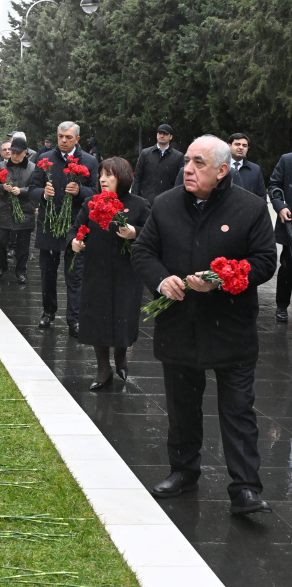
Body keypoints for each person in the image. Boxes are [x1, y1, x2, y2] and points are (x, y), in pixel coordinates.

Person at [132, 135, 276, 514]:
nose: (188, 169)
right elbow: (143, 252)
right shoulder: (164, 205)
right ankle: (183, 471)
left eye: (199, 163)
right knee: (182, 406)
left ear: (222, 171)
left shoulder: (249, 207)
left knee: (238, 409)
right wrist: (162, 280)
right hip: (180, 323)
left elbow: (264, 261)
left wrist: (222, 279)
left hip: (231, 326)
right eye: (188, 162)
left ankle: (245, 488)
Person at [68, 157, 150, 390]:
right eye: (101, 175)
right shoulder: (91, 203)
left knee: (123, 316)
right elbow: (76, 229)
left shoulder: (139, 204)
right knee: (98, 318)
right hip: (97, 270)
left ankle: (121, 356)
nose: (103, 179)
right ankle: (103, 367)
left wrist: (134, 232)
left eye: (109, 175)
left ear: (122, 178)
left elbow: (153, 234)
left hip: (127, 273)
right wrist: (74, 241)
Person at [28, 121, 99, 337]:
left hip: (76, 226)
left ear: (77, 138)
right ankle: (48, 311)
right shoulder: (45, 158)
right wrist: (43, 193)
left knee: (75, 274)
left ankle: (74, 319)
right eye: (60, 136)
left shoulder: (89, 161)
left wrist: (79, 191)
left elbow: (96, 192)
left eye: (68, 137)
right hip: (50, 224)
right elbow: (31, 190)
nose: (63, 141)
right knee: (48, 273)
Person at [0, 137, 36, 281]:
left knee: (23, 244)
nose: (15, 156)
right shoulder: (1, 165)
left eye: (18, 153)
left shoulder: (33, 168)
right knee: (0, 241)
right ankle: (1, 266)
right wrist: (3, 187)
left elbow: (35, 189)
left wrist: (21, 191)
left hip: (24, 210)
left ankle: (21, 271)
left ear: (25, 153)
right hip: (4, 209)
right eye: (12, 152)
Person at [131, 124, 183, 206]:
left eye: (165, 134)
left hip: (167, 203)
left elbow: (180, 182)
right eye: (160, 133)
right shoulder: (145, 154)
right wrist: (134, 200)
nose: (162, 135)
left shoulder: (178, 157)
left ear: (171, 137)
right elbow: (137, 177)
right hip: (146, 202)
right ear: (157, 135)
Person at [269, 151, 292, 323]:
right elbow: (275, 185)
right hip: (290, 220)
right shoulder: (287, 159)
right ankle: (282, 306)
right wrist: (280, 206)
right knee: (288, 265)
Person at [226, 133, 265, 198]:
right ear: (229, 146)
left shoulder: (255, 170)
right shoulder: (220, 167)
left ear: (247, 149)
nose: (241, 147)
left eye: (244, 145)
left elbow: (262, 196)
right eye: (237, 144)